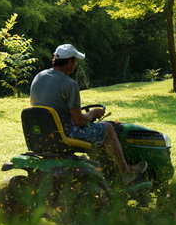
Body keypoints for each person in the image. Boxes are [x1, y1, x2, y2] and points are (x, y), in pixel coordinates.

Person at [30, 44, 147, 184]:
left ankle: (102, 173)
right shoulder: (69, 84)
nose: (75, 65)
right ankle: (126, 172)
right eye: (75, 61)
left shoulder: (39, 77)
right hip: (65, 134)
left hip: (42, 134)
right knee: (108, 129)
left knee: (93, 131)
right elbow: (79, 121)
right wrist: (93, 113)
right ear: (69, 62)